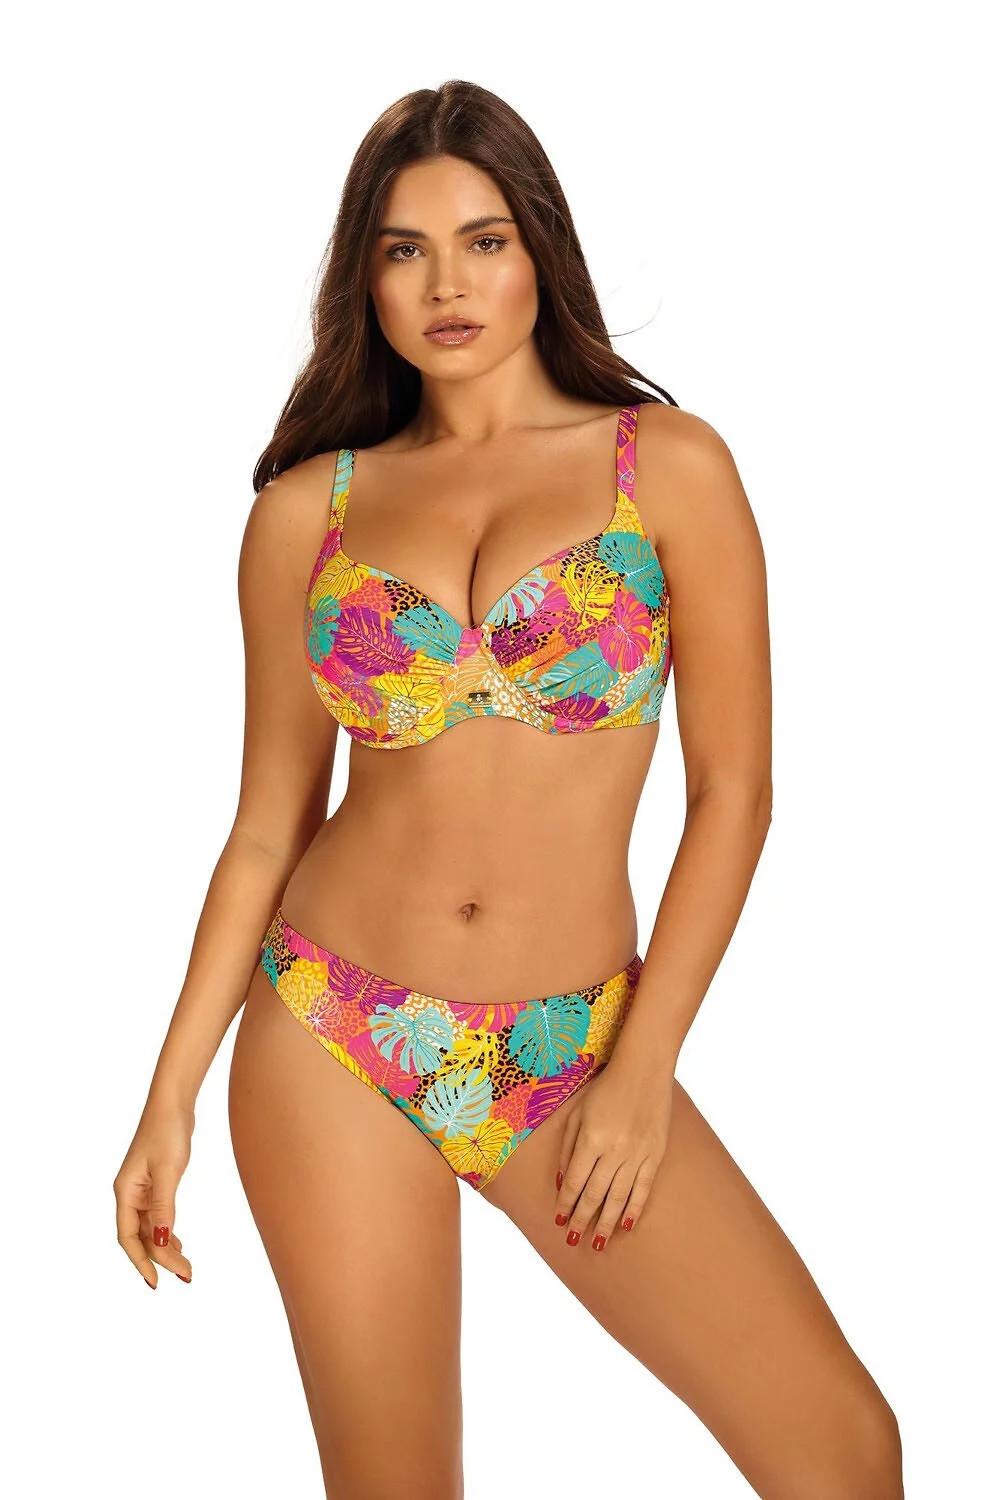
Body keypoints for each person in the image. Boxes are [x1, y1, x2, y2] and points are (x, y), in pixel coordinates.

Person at [113, 80, 904, 1500]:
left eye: (483, 241)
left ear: (541, 249)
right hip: (333, 1030)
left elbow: (735, 794)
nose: (448, 285)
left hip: (573, 1048)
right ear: (366, 279)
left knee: (843, 1451)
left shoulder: (667, 470)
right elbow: (267, 827)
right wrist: (165, 1098)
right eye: (405, 251)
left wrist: (643, 1070)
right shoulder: (306, 512)